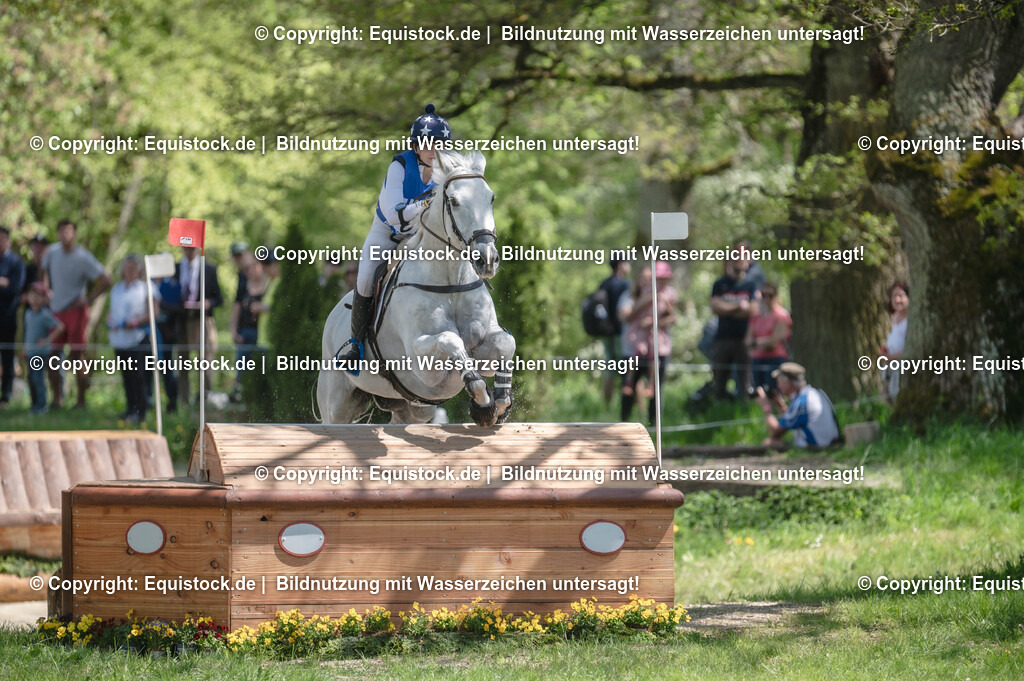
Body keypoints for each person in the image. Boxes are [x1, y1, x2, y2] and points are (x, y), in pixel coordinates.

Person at [335, 104, 452, 368]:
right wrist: (425, 204)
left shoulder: (445, 171)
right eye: (428, 144)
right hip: (388, 233)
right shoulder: (400, 165)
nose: (435, 151)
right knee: (365, 279)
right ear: (416, 145)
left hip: (421, 237)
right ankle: (355, 343)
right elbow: (396, 213)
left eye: (440, 145)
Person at [41, 219, 112, 409]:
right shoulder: (52, 252)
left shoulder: (83, 257)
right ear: (58, 234)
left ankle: (81, 400)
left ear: (75, 233)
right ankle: (57, 400)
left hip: (76, 311)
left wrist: (89, 299)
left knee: (76, 355)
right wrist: (45, 290)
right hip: (56, 311)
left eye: (69, 231)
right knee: (53, 356)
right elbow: (43, 270)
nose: (66, 235)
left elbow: (106, 280)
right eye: (62, 231)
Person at [621, 262, 677, 424]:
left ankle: (654, 421)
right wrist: (650, 298)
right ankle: (628, 388)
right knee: (635, 359)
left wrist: (655, 320)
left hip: (659, 340)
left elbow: (672, 316)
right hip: (640, 338)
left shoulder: (670, 294)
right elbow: (631, 315)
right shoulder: (645, 291)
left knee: (656, 365)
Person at [107, 255, 154, 422]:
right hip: (119, 339)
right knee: (126, 376)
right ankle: (130, 409)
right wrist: (110, 321)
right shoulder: (117, 288)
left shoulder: (145, 287)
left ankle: (140, 411)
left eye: (133, 268)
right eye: (127, 268)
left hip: (137, 338)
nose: (129, 271)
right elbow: (111, 311)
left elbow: (154, 312)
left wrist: (134, 322)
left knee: (138, 376)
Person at [175, 246, 222, 407]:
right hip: (181, 320)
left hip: (203, 320)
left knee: (205, 362)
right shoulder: (175, 269)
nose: (189, 251)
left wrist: (208, 303)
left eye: (192, 248)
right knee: (182, 362)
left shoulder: (208, 269)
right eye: (186, 248)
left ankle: (205, 398)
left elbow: (219, 298)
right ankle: (184, 402)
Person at [755, 362, 840, 449]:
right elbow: (790, 420)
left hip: (817, 447)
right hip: (830, 443)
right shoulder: (814, 393)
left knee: (768, 442)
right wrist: (779, 404)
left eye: (779, 382)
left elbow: (775, 432)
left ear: (787, 382)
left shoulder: (801, 402)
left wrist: (766, 406)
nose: (778, 386)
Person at [710, 258, 757, 399]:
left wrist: (727, 308)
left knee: (745, 379)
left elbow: (753, 309)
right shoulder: (720, 284)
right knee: (719, 378)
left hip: (743, 339)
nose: (738, 264)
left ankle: (747, 411)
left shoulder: (750, 284)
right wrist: (738, 306)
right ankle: (719, 408)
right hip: (723, 338)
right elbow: (715, 307)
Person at [228, 257, 269, 401]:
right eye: (247, 269)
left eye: (253, 266)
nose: (250, 271)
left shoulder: (269, 285)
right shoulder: (243, 287)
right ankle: (239, 391)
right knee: (242, 365)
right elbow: (236, 311)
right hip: (245, 333)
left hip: (263, 334)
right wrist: (233, 331)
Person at [22, 282, 64, 414]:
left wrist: (47, 340)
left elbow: (60, 327)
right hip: (30, 352)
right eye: (32, 295)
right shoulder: (28, 314)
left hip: (40, 353)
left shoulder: (45, 314)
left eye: (38, 295)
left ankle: (41, 406)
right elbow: (27, 333)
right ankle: (35, 405)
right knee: (31, 379)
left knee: (38, 379)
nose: (34, 298)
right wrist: (24, 349)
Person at [745, 282, 792, 391]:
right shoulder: (756, 316)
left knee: (773, 392)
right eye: (763, 294)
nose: (766, 298)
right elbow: (747, 340)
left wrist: (755, 342)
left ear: (775, 296)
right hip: (757, 359)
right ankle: (764, 409)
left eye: (770, 295)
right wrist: (762, 342)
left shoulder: (781, 315)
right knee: (759, 392)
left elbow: (773, 342)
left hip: (775, 360)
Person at [599, 257, 632, 405]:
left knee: (609, 369)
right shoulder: (626, 284)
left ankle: (606, 407)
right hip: (621, 333)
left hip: (606, 332)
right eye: (627, 262)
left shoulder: (604, 284)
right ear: (620, 265)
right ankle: (639, 410)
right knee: (630, 369)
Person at [0, 226, 27, 407]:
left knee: (7, 357)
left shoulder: (16, 262)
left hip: (7, 317)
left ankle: (6, 396)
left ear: (8, 241)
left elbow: (15, 288)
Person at [881, 281, 909, 403]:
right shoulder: (895, 318)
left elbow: (910, 350)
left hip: (902, 368)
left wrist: (891, 357)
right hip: (890, 367)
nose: (898, 299)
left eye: (901, 295)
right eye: (894, 296)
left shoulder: (910, 321)